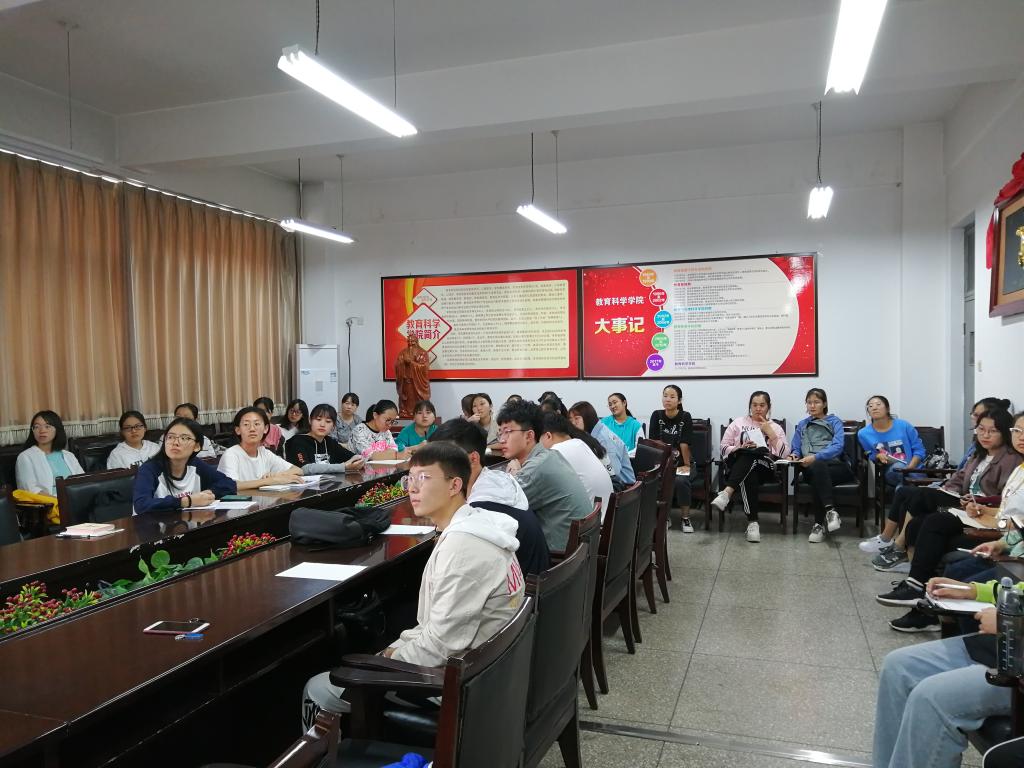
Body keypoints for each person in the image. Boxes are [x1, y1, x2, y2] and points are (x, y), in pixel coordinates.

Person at [300, 442, 524, 729]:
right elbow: (438, 631)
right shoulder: (477, 524)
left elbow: (441, 645)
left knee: (317, 688)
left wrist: (386, 661)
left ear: (455, 485)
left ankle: (332, 750)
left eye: (425, 478)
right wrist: (389, 654)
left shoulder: (464, 547)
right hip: (487, 668)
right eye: (410, 478)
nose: (413, 488)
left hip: (461, 683)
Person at [875, 409, 1023, 621]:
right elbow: (998, 505)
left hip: (995, 531)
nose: (985, 435)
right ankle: (918, 594)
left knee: (933, 518)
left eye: (992, 431)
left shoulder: (1011, 460)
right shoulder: (993, 459)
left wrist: (985, 511)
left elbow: (1009, 517)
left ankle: (917, 591)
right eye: (1017, 431)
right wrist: (977, 506)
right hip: (981, 516)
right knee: (918, 523)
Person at [873, 574, 1017, 768]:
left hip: (1017, 659)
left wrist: (1012, 623)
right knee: (898, 666)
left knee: (933, 698)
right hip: (1007, 644)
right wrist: (974, 591)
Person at [862, 395, 1012, 559]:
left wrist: (911, 468)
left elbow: (920, 451)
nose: (874, 407)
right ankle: (891, 543)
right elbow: (961, 474)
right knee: (903, 488)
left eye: (878, 404)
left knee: (908, 492)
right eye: (871, 405)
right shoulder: (979, 449)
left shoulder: (1006, 457)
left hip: (960, 495)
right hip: (951, 489)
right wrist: (945, 487)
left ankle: (896, 545)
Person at [429, 418, 550, 575]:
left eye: (443, 459)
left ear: (473, 459)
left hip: (523, 586)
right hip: (537, 578)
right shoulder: (497, 480)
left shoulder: (482, 509)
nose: (436, 468)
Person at [496, 400, 592, 551]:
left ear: (529, 436)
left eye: (507, 432)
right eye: (500, 433)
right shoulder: (550, 455)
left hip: (560, 557)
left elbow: (498, 508)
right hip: (580, 551)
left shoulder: (537, 467)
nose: (502, 440)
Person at [710, 391, 789, 543]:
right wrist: (740, 447)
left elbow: (784, 454)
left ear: (769, 407)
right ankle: (753, 524)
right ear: (750, 406)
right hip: (743, 467)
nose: (758, 408)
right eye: (754, 405)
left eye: (762, 405)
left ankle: (727, 492)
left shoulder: (775, 427)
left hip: (765, 467)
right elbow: (723, 447)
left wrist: (771, 434)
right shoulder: (738, 423)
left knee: (753, 455)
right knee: (749, 464)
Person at [132, 418, 236, 514]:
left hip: (188, 522)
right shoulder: (148, 469)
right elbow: (141, 505)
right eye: (170, 437)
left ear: (197, 446)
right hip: (150, 526)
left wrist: (207, 494)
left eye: (184, 438)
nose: (175, 442)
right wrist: (187, 501)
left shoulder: (195, 464)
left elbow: (229, 484)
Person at [789, 388, 852, 543]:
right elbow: (796, 447)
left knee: (818, 472)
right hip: (812, 468)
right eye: (809, 402)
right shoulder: (802, 424)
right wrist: (794, 455)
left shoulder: (834, 421)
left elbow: (838, 446)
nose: (812, 405)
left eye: (816, 402)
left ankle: (818, 525)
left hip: (837, 467)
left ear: (824, 404)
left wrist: (815, 457)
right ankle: (830, 512)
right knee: (818, 471)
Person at [14, 410, 85, 524]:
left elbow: (82, 480)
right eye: (36, 427)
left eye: (47, 426)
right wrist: (61, 501)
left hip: (75, 501)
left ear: (57, 429)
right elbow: (31, 491)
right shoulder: (25, 457)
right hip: (50, 507)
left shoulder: (68, 455)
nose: (42, 430)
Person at [540, 412, 613, 519]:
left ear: (548, 436)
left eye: (538, 439)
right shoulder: (579, 443)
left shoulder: (556, 452)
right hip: (605, 518)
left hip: (591, 524)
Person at [217, 407, 302, 491]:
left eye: (257, 424)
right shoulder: (231, 454)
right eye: (246, 424)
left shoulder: (264, 453)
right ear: (238, 430)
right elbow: (231, 485)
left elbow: (298, 470)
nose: (252, 429)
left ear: (265, 428)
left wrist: (279, 476)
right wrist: (269, 481)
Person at [648, 385, 696, 533]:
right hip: (662, 463)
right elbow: (654, 443)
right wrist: (661, 465)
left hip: (682, 463)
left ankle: (685, 518)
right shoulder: (656, 415)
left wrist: (686, 464)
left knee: (681, 481)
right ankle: (664, 517)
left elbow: (684, 443)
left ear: (679, 400)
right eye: (665, 395)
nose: (667, 399)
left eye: (672, 396)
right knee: (659, 479)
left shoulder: (685, 416)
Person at [285, 403, 365, 474]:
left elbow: (353, 457)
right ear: (310, 420)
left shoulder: (330, 442)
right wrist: (343, 466)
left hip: (329, 484)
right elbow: (304, 468)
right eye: (318, 419)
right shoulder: (297, 441)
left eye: (328, 421)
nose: (322, 424)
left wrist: (358, 460)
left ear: (333, 426)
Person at [569, 400, 635, 486]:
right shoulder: (594, 433)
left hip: (623, 487)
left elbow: (614, 473)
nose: (573, 423)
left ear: (587, 418)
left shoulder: (603, 439)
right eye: (570, 419)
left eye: (577, 418)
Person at [395, 331, 431, 418]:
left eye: (413, 342)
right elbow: (397, 365)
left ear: (416, 342)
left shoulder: (422, 353)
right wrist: (403, 363)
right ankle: (405, 412)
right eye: (409, 341)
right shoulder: (403, 352)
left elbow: (424, 367)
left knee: (418, 400)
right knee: (406, 398)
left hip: (417, 383)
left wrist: (411, 362)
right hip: (406, 381)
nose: (410, 343)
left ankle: (419, 413)